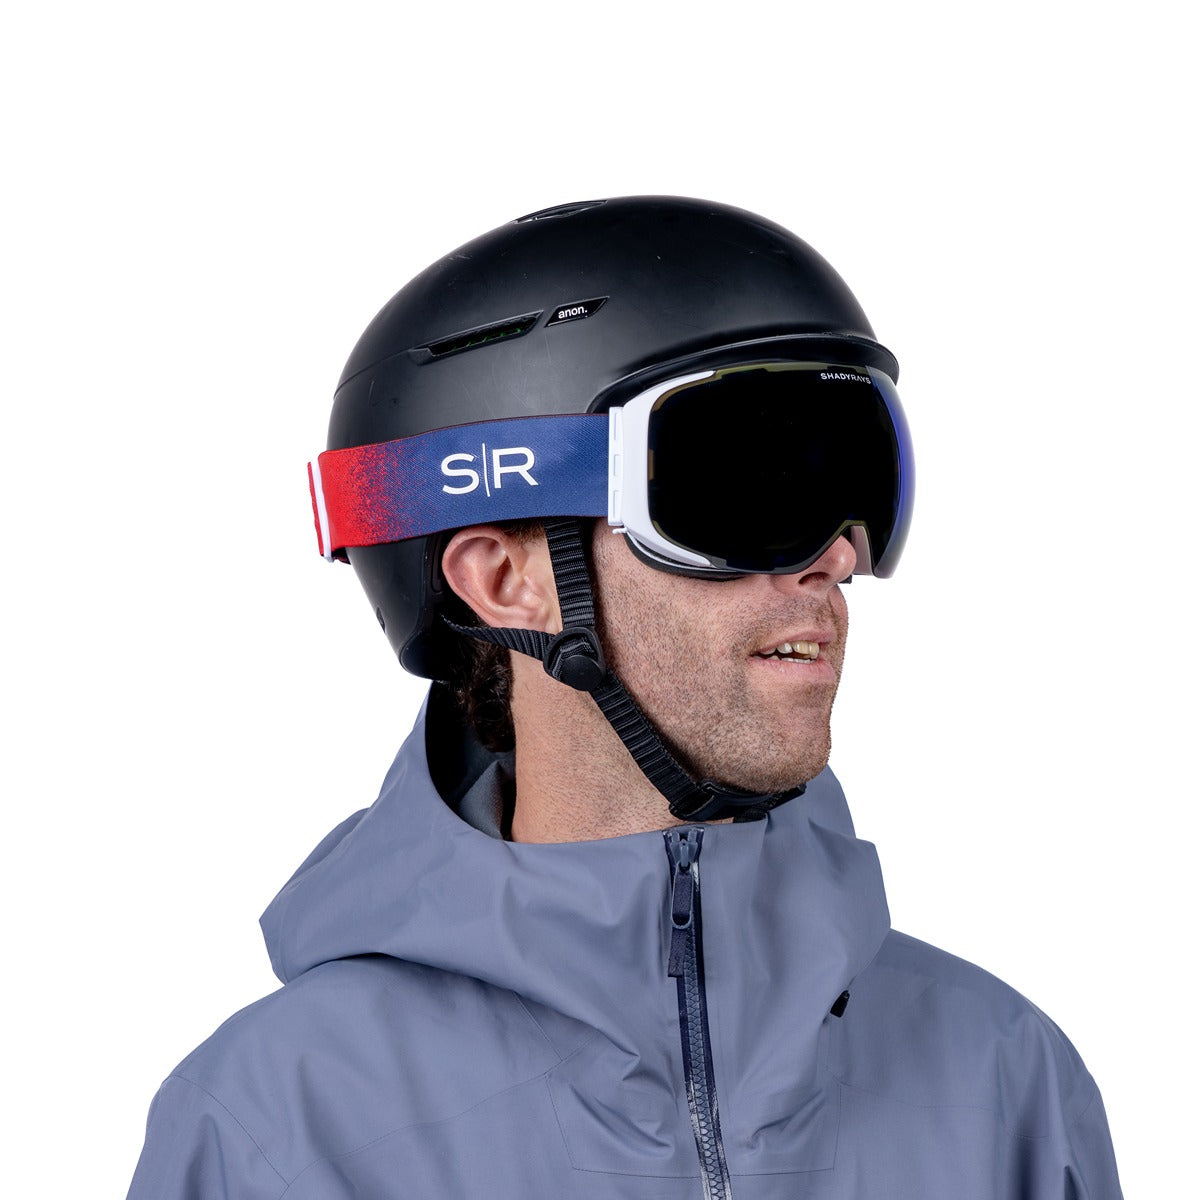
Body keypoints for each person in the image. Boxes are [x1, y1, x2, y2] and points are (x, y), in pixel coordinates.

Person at [127, 196, 1123, 1198]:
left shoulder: (1005, 1080)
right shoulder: (279, 1127)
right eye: (742, 489)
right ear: (503, 579)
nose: (831, 557)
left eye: (852, 485)